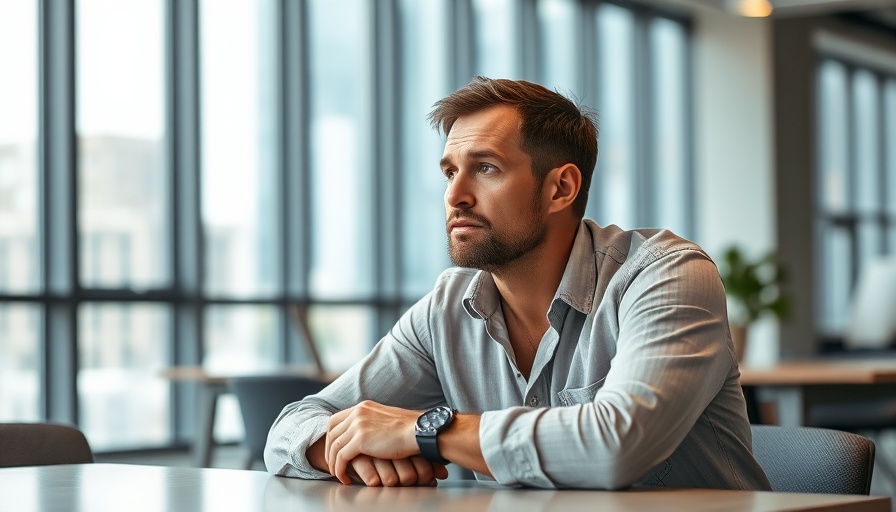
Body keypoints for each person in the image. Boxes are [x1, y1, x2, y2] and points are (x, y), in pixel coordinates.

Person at [265, 76, 771, 491]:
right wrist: (344, 450)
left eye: (485, 168)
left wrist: (425, 431)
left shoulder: (665, 275)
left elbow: (618, 445)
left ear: (561, 188)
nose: (456, 196)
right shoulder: (448, 309)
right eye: (449, 173)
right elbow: (294, 424)